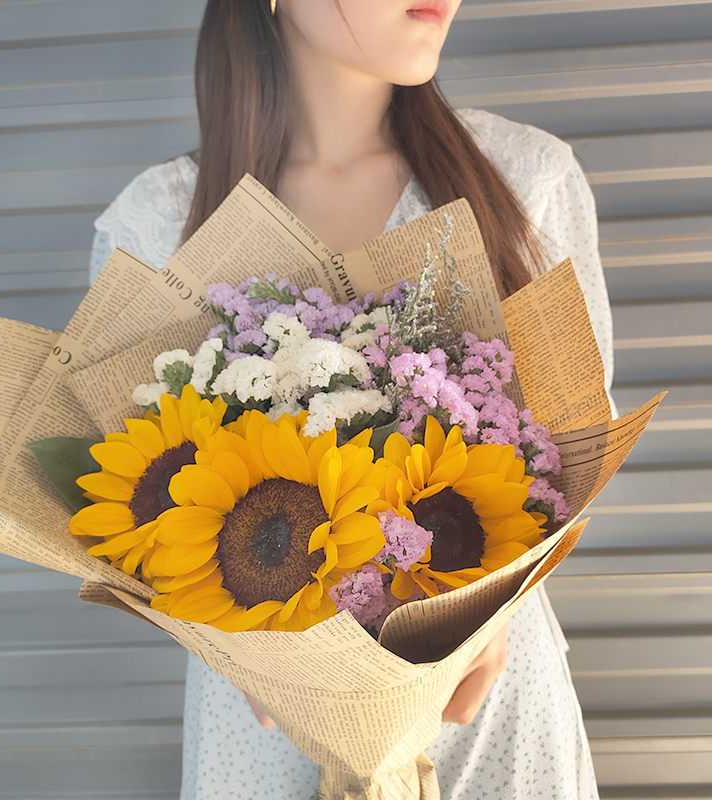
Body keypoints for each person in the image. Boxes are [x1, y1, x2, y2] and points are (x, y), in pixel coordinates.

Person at [89, 1, 615, 797]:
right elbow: (138, 514)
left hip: (483, 692)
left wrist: (488, 620)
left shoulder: (525, 177)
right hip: (261, 718)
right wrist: (236, 648)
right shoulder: (158, 221)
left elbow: (577, 451)